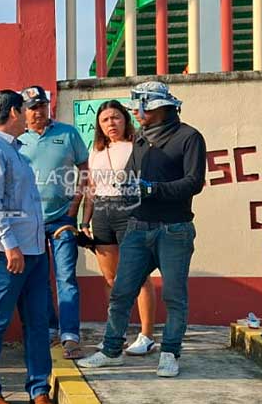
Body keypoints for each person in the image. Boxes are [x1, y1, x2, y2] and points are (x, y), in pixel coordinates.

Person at [78, 81, 206, 378]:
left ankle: (170, 353)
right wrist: (124, 184)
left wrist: (153, 188)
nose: (137, 112)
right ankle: (111, 351)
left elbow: (194, 182)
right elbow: (131, 176)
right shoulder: (140, 141)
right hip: (137, 226)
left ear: (161, 106)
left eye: (143, 106)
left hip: (175, 228)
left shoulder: (189, 137)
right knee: (122, 291)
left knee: (174, 295)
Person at [0, 90, 56, 404]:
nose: (32, 115)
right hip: (7, 254)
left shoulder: (16, 151)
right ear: (14, 112)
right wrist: (11, 245)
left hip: (32, 251)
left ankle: (38, 389)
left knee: (37, 322)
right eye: (26, 109)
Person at [16, 86, 90, 359]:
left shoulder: (68, 134)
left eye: (42, 106)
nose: (38, 112)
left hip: (62, 218)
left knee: (66, 276)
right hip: (29, 222)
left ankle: (70, 335)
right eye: (33, 107)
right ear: (23, 111)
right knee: (39, 279)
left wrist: (75, 205)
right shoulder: (17, 139)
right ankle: (49, 329)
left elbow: (84, 169)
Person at [81, 100, 159, 355]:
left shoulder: (138, 145)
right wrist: (84, 221)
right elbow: (90, 189)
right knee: (111, 278)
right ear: (99, 126)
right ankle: (116, 333)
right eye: (105, 120)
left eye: (115, 118)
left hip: (130, 210)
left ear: (125, 119)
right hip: (102, 213)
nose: (110, 123)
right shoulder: (96, 150)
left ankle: (146, 335)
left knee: (138, 275)